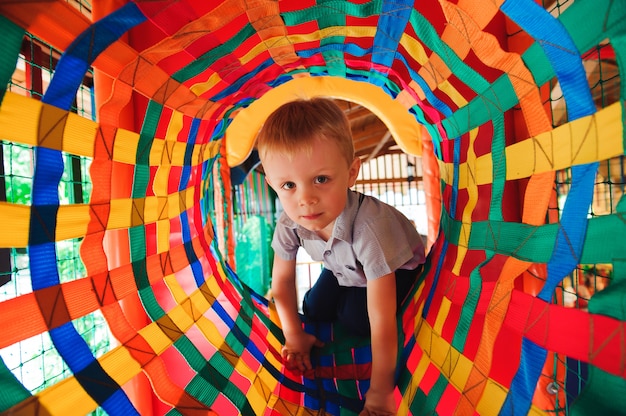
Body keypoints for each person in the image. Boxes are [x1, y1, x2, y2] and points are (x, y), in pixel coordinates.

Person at [256, 97, 426, 416]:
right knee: (313, 307)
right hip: (345, 269)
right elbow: (281, 281)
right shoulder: (290, 222)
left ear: (351, 173)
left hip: (396, 269)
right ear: (273, 186)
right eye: (288, 185)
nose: (305, 199)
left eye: (321, 179)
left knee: (356, 320)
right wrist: (294, 338)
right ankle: (337, 302)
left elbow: (381, 320)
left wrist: (378, 393)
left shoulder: (370, 230)